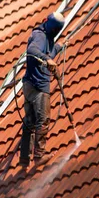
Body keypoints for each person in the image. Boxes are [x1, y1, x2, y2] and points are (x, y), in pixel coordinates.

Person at [19, 12, 65, 168]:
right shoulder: (40, 35)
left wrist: (57, 48)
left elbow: (46, 54)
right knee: (42, 119)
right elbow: (32, 51)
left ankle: (24, 157)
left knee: (29, 120)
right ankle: (39, 155)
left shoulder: (46, 36)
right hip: (38, 86)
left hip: (29, 84)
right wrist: (48, 59)